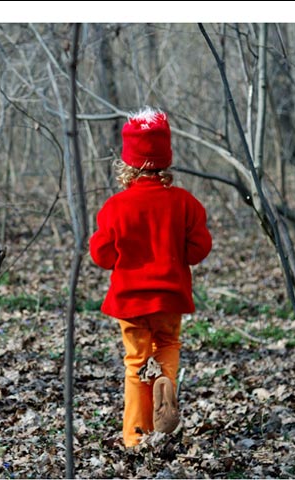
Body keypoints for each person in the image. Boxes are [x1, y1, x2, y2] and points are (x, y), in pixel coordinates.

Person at [89, 107, 212, 447]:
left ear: (126, 166)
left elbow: (101, 255)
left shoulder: (115, 207)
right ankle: (166, 383)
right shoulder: (186, 204)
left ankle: (135, 435)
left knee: (136, 363)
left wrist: (123, 256)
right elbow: (198, 250)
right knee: (168, 345)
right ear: (166, 162)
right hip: (170, 298)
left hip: (129, 302)